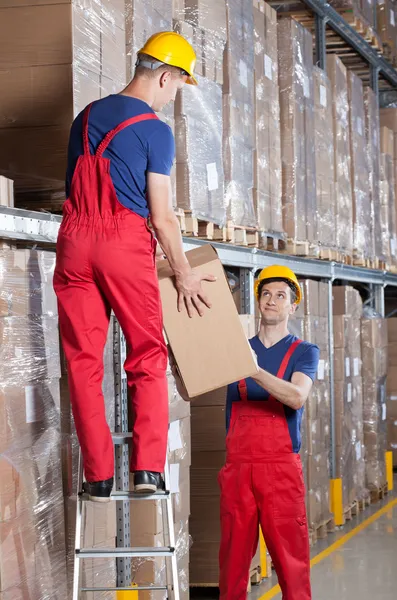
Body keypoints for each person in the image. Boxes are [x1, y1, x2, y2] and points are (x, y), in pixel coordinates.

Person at [54, 31, 215, 501]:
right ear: (165, 76)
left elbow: (76, 189)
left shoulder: (84, 118)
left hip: (74, 241)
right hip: (122, 243)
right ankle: (147, 470)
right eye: (177, 87)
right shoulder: (156, 131)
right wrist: (183, 270)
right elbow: (161, 216)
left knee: (82, 363)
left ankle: (98, 477)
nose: (173, 98)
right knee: (146, 355)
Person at [172, 265, 319, 599]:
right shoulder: (235, 346)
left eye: (281, 295)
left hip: (280, 471)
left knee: (291, 563)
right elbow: (187, 391)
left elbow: (297, 397)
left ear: (292, 306)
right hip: (238, 469)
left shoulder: (304, 351)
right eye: (265, 294)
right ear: (258, 302)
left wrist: (252, 369)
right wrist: (177, 365)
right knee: (233, 563)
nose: (271, 301)